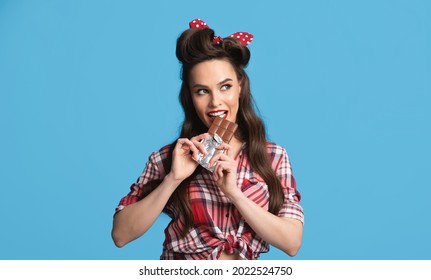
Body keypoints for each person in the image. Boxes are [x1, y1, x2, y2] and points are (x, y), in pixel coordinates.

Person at [111, 18, 304, 260]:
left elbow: (292, 242)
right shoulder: (171, 157)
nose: (215, 103)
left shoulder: (273, 156)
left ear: (240, 87)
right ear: (190, 96)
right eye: (202, 91)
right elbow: (120, 235)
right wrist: (173, 179)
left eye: (225, 87)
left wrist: (235, 194)